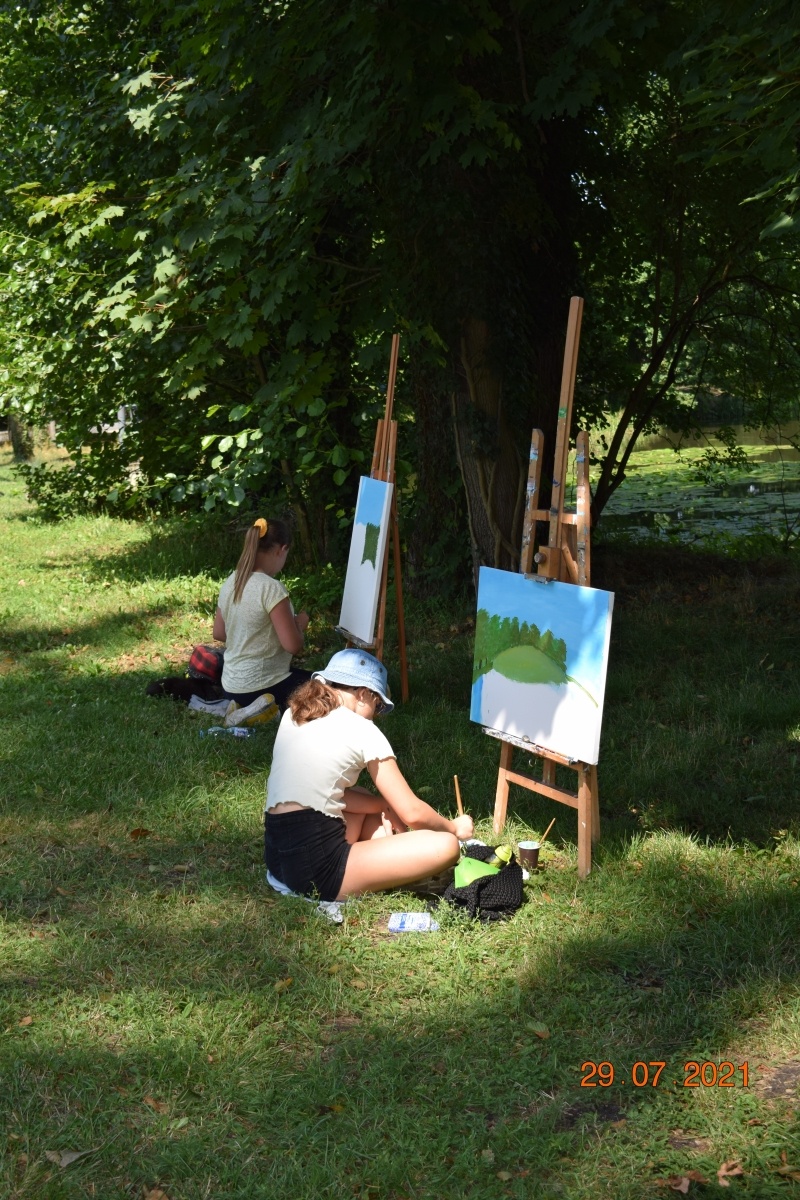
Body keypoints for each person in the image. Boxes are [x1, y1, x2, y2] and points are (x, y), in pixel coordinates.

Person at [264, 649, 474, 900]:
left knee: (362, 797)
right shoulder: (363, 729)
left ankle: (383, 855)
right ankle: (390, 863)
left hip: (278, 857)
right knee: (446, 847)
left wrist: (382, 804)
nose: (375, 716)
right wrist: (453, 828)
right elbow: (412, 812)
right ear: (363, 694)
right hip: (318, 870)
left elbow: (335, 796)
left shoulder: (295, 714)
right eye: (376, 705)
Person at [213, 517, 311, 712]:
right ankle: (261, 710)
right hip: (263, 687)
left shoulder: (232, 581)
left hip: (231, 687)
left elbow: (219, 633)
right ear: (281, 550)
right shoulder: (271, 589)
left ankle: (244, 710)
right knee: (331, 688)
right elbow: (293, 646)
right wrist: (299, 624)